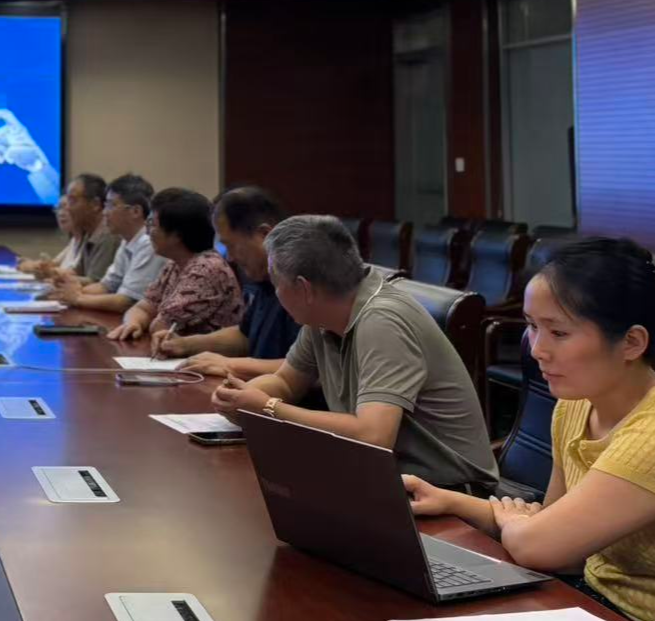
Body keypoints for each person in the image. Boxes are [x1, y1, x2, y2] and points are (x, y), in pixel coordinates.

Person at [405, 237, 655, 621]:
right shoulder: (576, 405)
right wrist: (450, 501)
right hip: (604, 607)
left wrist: (526, 528)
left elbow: (539, 546)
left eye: (559, 332)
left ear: (632, 343)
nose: (537, 349)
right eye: (532, 326)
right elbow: (555, 536)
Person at [210, 215, 497, 494]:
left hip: (450, 492)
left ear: (304, 288)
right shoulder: (321, 316)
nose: (275, 292)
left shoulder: (382, 321)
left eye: (276, 283)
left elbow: (373, 437)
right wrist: (242, 397)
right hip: (381, 473)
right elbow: (285, 381)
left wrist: (268, 406)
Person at [99, 189, 244, 350]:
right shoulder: (175, 265)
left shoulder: (207, 269)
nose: (147, 231)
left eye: (152, 224)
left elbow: (160, 326)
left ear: (177, 235)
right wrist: (133, 323)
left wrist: (146, 320)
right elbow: (142, 307)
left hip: (210, 361)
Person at [180, 186, 303, 372]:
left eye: (230, 245)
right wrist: (184, 345)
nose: (229, 258)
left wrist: (230, 365)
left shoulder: (305, 283)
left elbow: (313, 370)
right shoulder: (263, 278)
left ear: (265, 235)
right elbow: (245, 336)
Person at [50, 173, 162, 314]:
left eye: (111, 205)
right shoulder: (127, 241)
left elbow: (127, 302)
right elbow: (106, 286)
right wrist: (72, 292)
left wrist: (78, 298)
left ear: (135, 211)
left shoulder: (149, 243)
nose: (104, 213)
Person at [17, 173, 116, 282]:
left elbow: (96, 283)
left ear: (95, 204)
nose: (67, 208)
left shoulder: (107, 235)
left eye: (72, 201)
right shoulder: (89, 234)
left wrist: (54, 277)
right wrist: (49, 273)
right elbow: (75, 272)